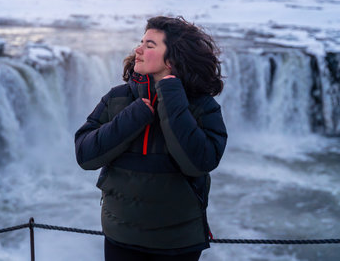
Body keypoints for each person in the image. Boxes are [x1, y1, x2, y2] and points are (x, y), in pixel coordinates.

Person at [75, 16, 228, 261]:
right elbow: (85, 155)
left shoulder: (202, 107)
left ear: (173, 58)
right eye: (141, 42)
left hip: (178, 244)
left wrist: (170, 94)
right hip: (120, 238)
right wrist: (134, 116)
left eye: (150, 45)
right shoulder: (116, 99)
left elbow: (199, 162)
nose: (138, 49)